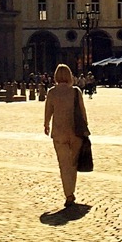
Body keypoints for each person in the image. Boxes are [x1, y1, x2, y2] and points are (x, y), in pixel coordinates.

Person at [41, 63, 88, 210]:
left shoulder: (52, 92)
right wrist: (85, 128)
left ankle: (68, 194)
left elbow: (48, 111)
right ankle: (71, 191)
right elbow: (82, 112)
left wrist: (46, 124)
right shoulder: (76, 91)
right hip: (75, 132)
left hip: (59, 133)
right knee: (73, 163)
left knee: (64, 164)